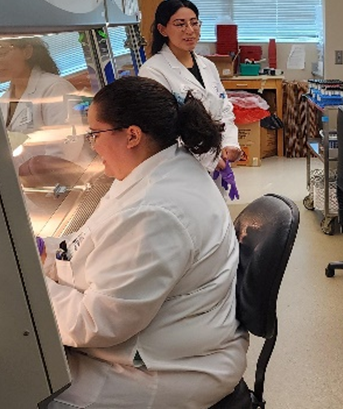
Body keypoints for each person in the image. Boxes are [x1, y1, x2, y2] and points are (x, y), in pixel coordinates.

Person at [40, 76, 247, 409]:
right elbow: (93, 243)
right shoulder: (159, 168)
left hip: (168, 371)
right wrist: (47, 252)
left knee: (27, 389)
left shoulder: (157, 210)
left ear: (132, 135)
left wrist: (35, 287)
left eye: (95, 134)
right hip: (166, 341)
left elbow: (96, 323)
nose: (92, 145)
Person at [139, 0, 241, 172]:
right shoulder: (153, 71)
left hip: (216, 158)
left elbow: (223, 108)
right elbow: (166, 127)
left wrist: (230, 144)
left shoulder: (207, 66)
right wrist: (210, 157)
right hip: (179, 164)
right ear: (162, 30)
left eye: (194, 23)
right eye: (180, 24)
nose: (190, 30)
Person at [0, 36, 84, 163]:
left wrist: (40, 176)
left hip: (54, 179)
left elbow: (66, 148)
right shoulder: (2, 101)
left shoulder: (55, 87)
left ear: (27, 52)